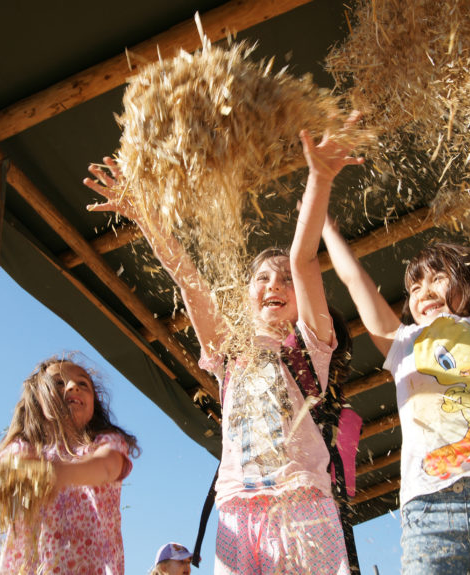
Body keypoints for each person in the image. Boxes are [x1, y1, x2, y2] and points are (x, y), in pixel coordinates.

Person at [84, 113, 363, 575]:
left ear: (300, 300)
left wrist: (319, 178)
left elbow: (304, 255)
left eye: (285, 281)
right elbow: (188, 278)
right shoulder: (230, 352)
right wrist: (144, 215)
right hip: (235, 508)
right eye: (262, 278)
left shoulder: (312, 344)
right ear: (247, 296)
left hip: (302, 503)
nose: (275, 283)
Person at [320, 193, 470, 574]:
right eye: (415, 287)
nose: (424, 291)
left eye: (437, 278)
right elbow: (355, 280)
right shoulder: (402, 344)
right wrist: (326, 227)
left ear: (468, 282)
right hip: (428, 507)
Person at [0, 355, 139, 575]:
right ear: (37, 399)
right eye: (59, 383)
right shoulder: (25, 447)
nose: (73, 387)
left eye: (83, 384)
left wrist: (57, 473)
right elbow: (10, 472)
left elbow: (108, 467)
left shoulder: (105, 442)